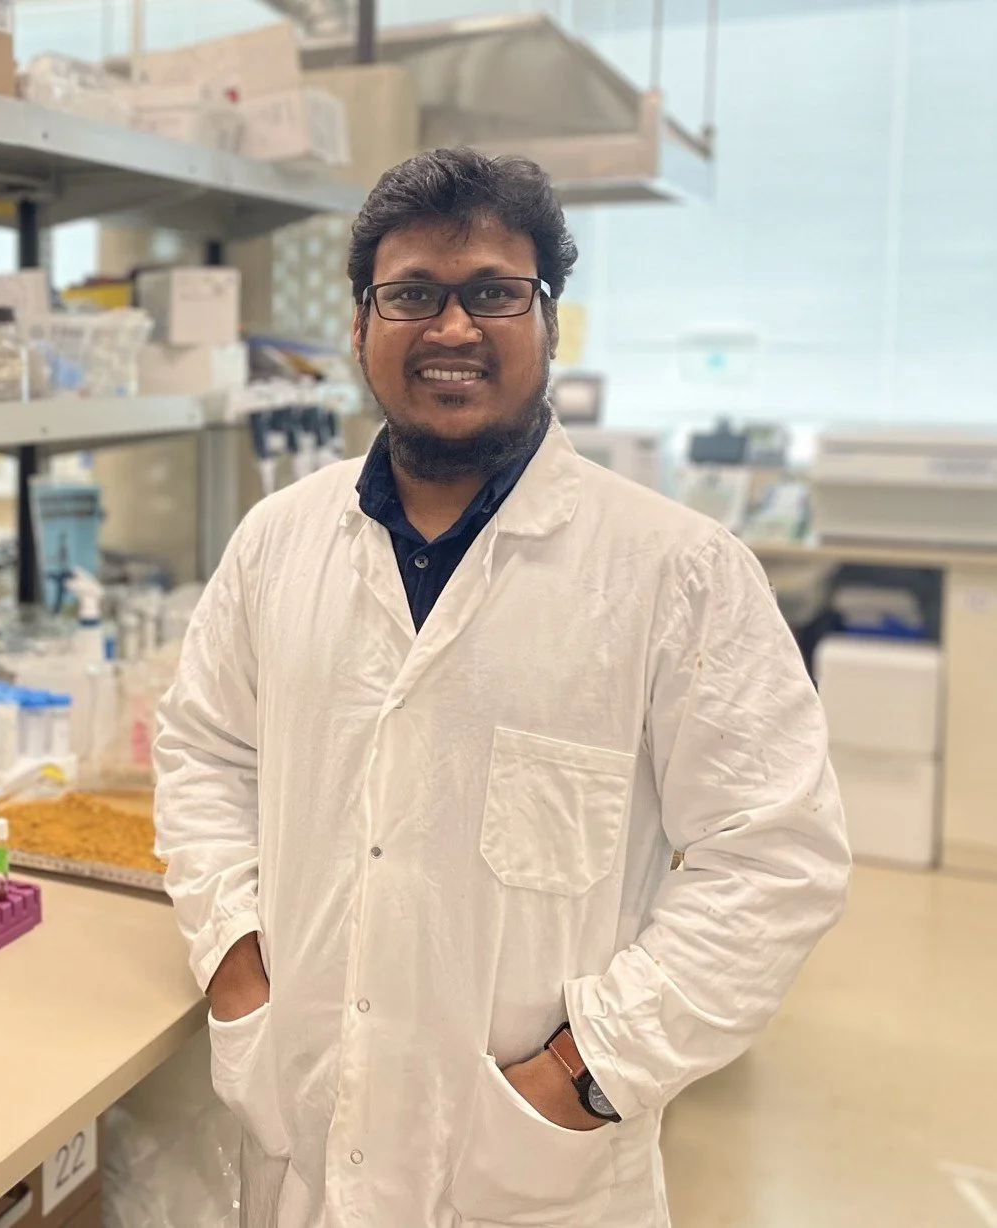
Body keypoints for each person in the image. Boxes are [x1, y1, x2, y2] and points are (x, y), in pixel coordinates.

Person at [154, 147, 850, 1228]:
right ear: (359, 324)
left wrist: (587, 1072)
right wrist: (237, 957)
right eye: (412, 293)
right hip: (303, 1126)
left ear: (549, 319)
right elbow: (203, 754)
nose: (451, 327)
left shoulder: (678, 570)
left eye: (492, 292)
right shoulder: (277, 542)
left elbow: (776, 861)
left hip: (530, 1168)